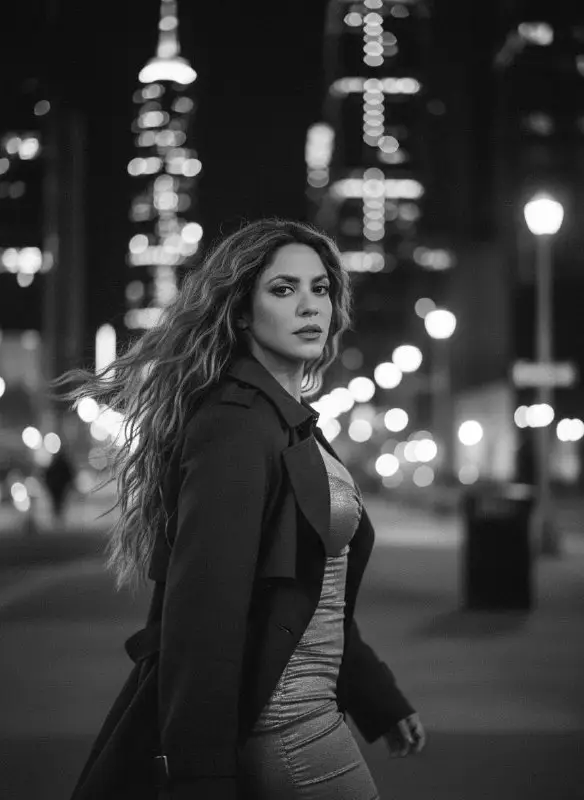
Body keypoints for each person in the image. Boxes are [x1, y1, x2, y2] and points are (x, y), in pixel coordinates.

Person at [60, 219, 425, 800]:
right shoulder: (234, 425)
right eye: (283, 290)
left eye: (320, 288)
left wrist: (377, 695)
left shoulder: (286, 419)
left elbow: (307, 590)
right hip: (283, 726)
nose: (310, 305)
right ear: (241, 312)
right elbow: (203, 616)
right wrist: (202, 777)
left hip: (313, 711)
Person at [42, 447, 75, 525]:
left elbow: (47, 475)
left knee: (56, 502)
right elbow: (71, 475)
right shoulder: (64, 464)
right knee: (60, 502)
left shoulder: (54, 464)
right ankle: (59, 519)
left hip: (55, 487)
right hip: (60, 487)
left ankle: (57, 519)